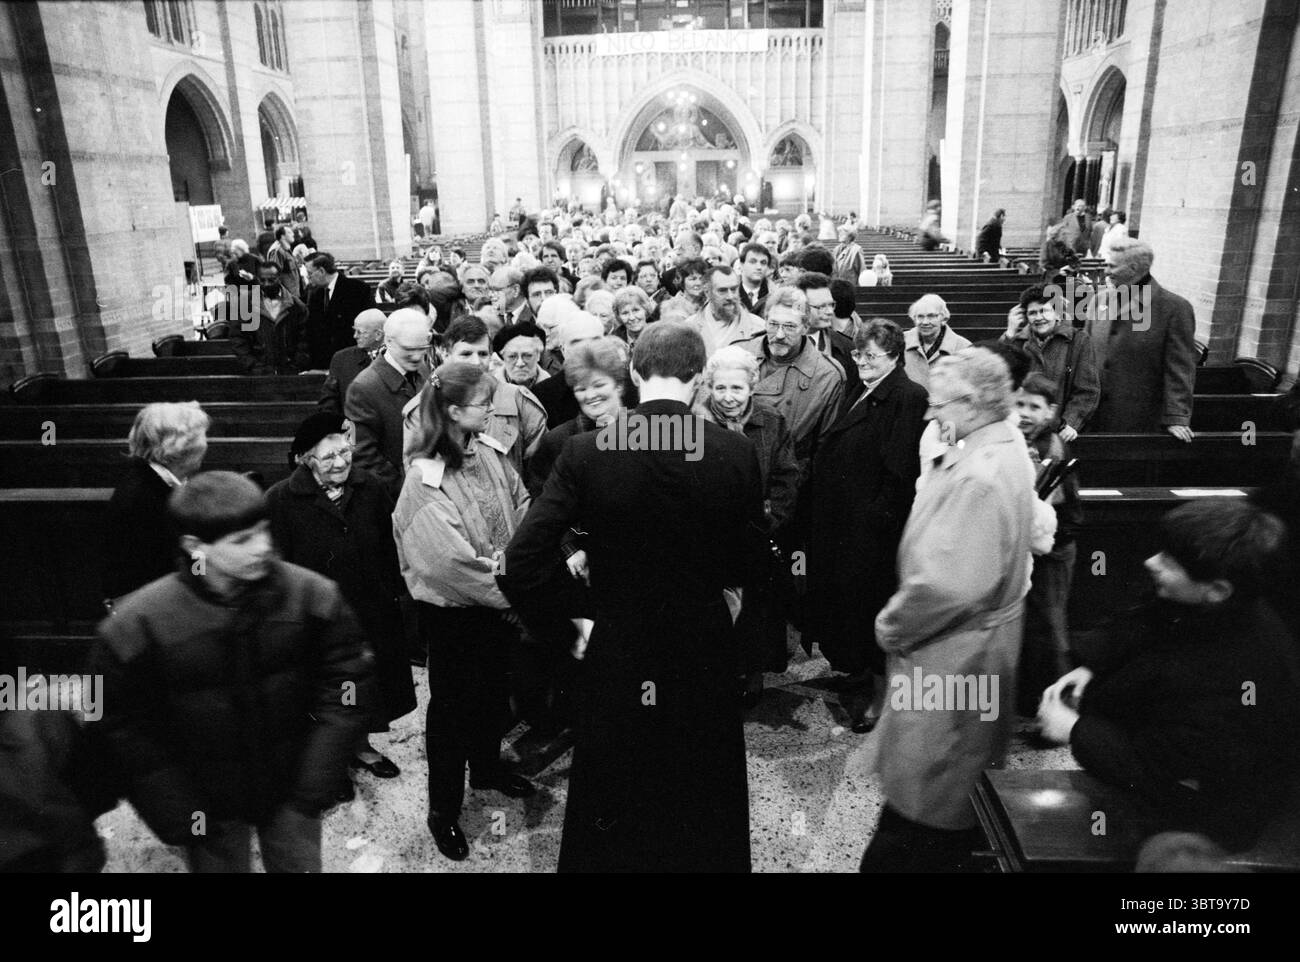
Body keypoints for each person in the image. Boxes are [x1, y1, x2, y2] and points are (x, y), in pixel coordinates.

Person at [498, 322, 770, 872]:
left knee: (616, 788)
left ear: (636, 374)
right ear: (697, 380)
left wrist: (568, 626)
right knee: (700, 788)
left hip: (620, 643)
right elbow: (754, 558)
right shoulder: (734, 451)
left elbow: (520, 560)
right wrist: (730, 597)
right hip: (701, 643)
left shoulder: (586, 450)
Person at [89, 472, 374, 872]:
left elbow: (347, 686)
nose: (263, 547)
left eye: (262, 531)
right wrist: (177, 808)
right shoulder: (139, 623)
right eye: (241, 540)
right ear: (194, 546)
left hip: (291, 787)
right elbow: (119, 723)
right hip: (206, 803)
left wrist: (314, 781)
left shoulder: (312, 595)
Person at [1037, 499, 1300, 851]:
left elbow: (1154, 770)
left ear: (1218, 590)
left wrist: (1073, 729)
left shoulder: (1238, 676)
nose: (1150, 562)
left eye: (1170, 561)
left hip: (1196, 823)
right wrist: (1091, 664)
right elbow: (1142, 620)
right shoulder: (1211, 603)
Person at [863, 348, 1035, 872]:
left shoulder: (980, 475)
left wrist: (891, 624)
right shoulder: (992, 447)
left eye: (937, 404)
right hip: (963, 648)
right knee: (936, 787)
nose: (929, 414)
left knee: (930, 789)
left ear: (972, 403)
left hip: (956, 658)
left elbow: (948, 586)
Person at [393, 362, 537, 862]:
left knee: (496, 697)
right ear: (454, 411)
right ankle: (443, 810)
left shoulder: (491, 451)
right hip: (458, 616)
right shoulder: (425, 477)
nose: (494, 411)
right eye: (484, 403)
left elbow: (522, 505)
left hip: (502, 602)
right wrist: (516, 594)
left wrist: (517, 566)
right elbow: (447, 564)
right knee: (453, 712)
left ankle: (490, 770)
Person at [266, 412, 416, 788]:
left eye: (345, 452)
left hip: (369, 608)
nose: (341, 462)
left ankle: (361, 746)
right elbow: (277, 566)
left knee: (363, 684)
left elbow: (389, 544)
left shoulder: (370, 486)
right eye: (329, 457)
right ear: (305, 459)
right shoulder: (281, 500)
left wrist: (395, 591)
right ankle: (332, 763)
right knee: (327, 690)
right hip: (316, 617)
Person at [804, 319, 929, 734]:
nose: (861, 362)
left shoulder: (908, 396)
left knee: (874, 609)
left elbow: (898, 472)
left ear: (895, 356)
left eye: (871, 356)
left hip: (873, 531)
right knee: (853, 610)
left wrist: (874, 525)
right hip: (846, 522)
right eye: (858, 355)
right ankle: (862, 674)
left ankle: (881, 698)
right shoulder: (864, 386)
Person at [696, 345, 800, 706]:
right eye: (720, 388)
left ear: (751, 387)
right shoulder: (694, 424)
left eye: (736, 388)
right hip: (709, 540)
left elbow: (787, 476)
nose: (727, 397)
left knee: (756, 613)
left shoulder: (772, 422)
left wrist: (768, 521)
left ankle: (752, 675)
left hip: (758, 536)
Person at [1013, 373, 1083, 716]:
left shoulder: (1051, 447)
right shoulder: (1021, 440)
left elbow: (1043, 504)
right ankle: (1030, 701)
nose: (1025, 413)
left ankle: (1061, 709)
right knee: (1029, 626)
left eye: (1034, 407)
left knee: (1050, 627)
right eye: (1020, 404)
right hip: (1032, 545)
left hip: (1053, 549)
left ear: (1050, 411)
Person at [404, 315, 548, 478]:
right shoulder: (423, 407)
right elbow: (420, 477)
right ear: (444, 353)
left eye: (482, 354)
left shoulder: (518, 401)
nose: (476, 362)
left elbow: (540, 474)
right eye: (466, 354)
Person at [1085, 238, 1197, 440]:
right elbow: (1084, 355)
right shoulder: (1099, 300)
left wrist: (1176, 417)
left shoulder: (1174, 308)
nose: (1106, 272)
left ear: (1133, 268)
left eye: (1111, 266)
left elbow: (1180, 369)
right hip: (1093, 415)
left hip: (1139, 420)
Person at [101, 402, 210, 606]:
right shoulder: (142, 496)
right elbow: (171, 563)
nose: (206, 444)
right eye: (203, 436)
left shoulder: (162, 481)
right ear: (182, 445)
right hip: (147, 604)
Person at [736, 285, 845, 479]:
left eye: (789, 327)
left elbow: (825, 449)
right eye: (773, 324)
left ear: (805, 327)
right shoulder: (738, 354)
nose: (779, 335)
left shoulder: (827, 375)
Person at [345, 308, 433, 493]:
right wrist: (405, 487)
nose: (417, 356)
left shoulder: (421, 368)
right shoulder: (362, 388)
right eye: (409, 349)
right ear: (388, 341)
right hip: (394, 495)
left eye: (422, 349)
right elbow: (361, 454)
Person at [526, 337, 628, 496]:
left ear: (619, 386)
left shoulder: (646, 430)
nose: (591, 395)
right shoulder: (556, 441)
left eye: (599, 385)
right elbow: (542, 502)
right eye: (581, 389)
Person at [1001, 284, 1100, 441]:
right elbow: (1000, 377)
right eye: (1033, 313)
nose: (1039, 317)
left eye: (1045, 311)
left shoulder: (1078, 340)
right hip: (1020, 430)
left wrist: (1070, 423)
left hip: (1058, 431)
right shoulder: (1017, 341)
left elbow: (1086, 390)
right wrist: (1010, 333)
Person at [231, 261, 310, 375]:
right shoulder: (245, 303)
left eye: (271, 280)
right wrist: (252, 365)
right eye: (262, 280)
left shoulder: (296, 306)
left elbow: (304, 339)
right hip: (258, 370)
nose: (266, 284)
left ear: (279, 278)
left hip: (288, 370)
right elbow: (237, 337)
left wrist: (296, 364)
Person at [533, 311, 607, 429]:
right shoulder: (543, 394)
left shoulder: (625, 385)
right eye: (577, 342)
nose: (586, 348)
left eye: (594, 340)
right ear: (563, 350)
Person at [304, 252, 375, 369]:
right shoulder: (315, 295)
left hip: (352, 363)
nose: (308, 278)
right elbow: (313, 331)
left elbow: (369, 328)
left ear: (321, 271)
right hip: (324, 363)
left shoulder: (358, 290)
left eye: (310, 274)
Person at [318, 307, 387, 414]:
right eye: (354, 331)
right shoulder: (341, 359)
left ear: (378, 334)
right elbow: (329, 400)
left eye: (360, 332)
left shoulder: (395, 357)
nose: (355, 336)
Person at [686, 264, 766, 357]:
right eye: (722, 290)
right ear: (707, 292)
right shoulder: (689, 328)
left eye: (734, 289)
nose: (730, 296)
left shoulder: (758, 328)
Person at [901, 293, 972, 390]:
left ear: (944, 319)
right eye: (920, 316)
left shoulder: (963, 347)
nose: (925, 322)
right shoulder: (901, 341)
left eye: (931, 316)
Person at [493, 320, 549, 390]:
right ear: (503, 357)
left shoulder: (554, 388)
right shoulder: (491, 390)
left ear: (538, 356)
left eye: (527, 355)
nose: (520, 364)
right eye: (512, 356)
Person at [610, 285, 654, 351]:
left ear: (646, 309)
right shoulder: (613, 342)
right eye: (625, 313)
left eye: (636, 310)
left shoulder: (660, 337)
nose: (632, 317)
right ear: (618, 316)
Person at [736, 242, 773, 317]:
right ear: (741, 265)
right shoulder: (730, 292)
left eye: (763, 263)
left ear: (768, 268)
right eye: (753, 262)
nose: (759, 267)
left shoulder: (775, 295)